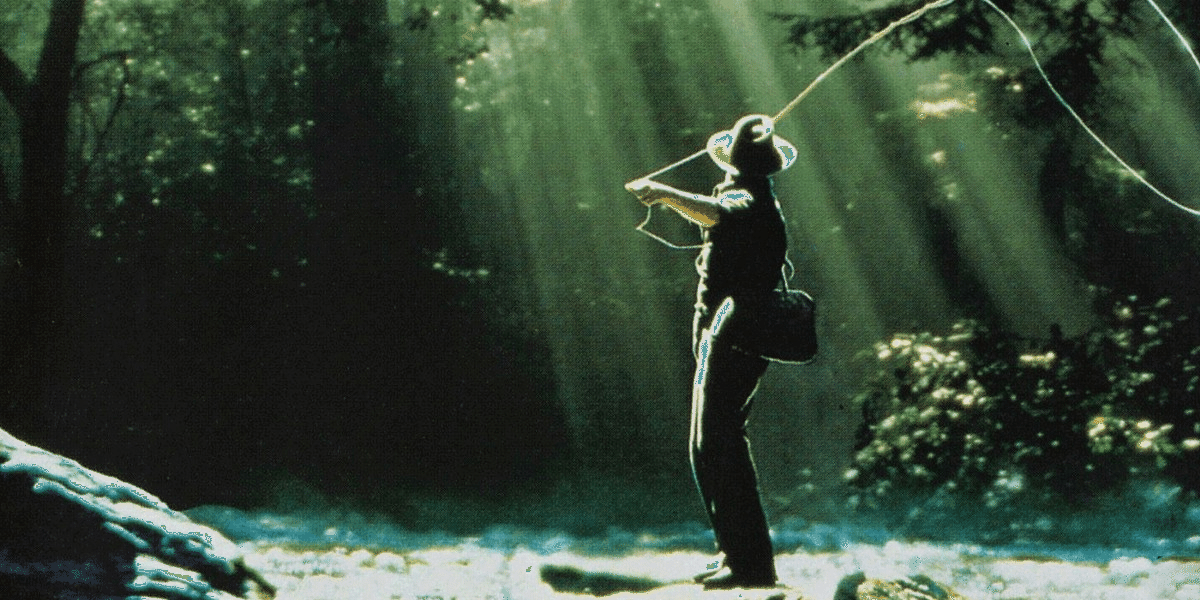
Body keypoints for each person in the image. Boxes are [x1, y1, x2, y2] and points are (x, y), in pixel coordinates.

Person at [626, 114, 799, 590]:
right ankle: (735, 554)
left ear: (732, 160)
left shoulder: (747, 195)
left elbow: (721, 213)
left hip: (735, 329)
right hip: (727, 327)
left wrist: (663, 193)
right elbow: (720, 213)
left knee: (717, 442)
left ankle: (750, 565)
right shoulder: (751, 192)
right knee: (710, 444)